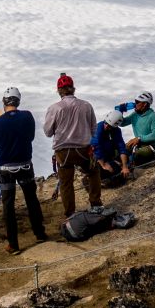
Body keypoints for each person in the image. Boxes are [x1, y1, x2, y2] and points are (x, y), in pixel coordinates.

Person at [0, 86, 47, 254]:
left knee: (8, 206)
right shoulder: (27, 116)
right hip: (25, 165)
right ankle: (40, 233)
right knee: (31, 199)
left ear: (4, 102)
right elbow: (30, 137)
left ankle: (13, 244)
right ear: (18, 101)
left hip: (5, 167)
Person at [43, 72, 100, 223]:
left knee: (66, 182)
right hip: (83, 149)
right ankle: (95, 203)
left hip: (63, 151)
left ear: (59, 90)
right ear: (73, 89)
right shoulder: (86, 105)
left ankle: (70, 213)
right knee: (93, 172)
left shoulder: (55, 108)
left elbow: (48, 132)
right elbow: (94, 129)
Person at [115, 91, 155, 163]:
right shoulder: (135, 115)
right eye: (135, 101)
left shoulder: (154, 116)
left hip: (152, 146)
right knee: (119, 151)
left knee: (138, 155)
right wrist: (120, 112)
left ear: (145, 104)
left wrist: (139, 138)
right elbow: (122, 123)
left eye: (137, 102)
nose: (135, 104)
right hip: (138, 144)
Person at [92, 108, 133, 187]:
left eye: (109, 126)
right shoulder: (98, 129)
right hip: (97, 158)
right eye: (106, 123)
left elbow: (121, 148)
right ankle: (93, 179)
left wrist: (125, 166)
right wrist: (104, 164)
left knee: (119, 173)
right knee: (106, 171)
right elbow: (96, 146)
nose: (106, 126)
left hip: (108, 157)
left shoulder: (116, 131)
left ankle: (106, 179)